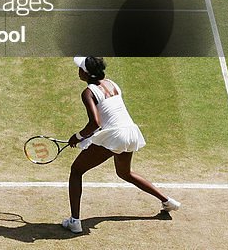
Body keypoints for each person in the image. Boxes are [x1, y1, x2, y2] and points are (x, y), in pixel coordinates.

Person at [60, 56, 180, 234]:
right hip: (130, 132)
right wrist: (88, 138)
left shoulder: (88, 93)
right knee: (125, 173)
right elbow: (107, 119)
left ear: (85, 73)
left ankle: (75, 221)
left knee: (76, 170)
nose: (77, 70)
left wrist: (77, 137)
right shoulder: (112, 84)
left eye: (79, 68)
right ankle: (168, 201)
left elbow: (95, 123)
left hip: (116, 135)